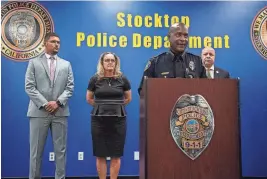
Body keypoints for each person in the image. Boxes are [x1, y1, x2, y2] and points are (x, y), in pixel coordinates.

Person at [25, 32, 74, 179]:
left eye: (58, 42)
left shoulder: (66, 64)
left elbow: (70, 88)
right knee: (36, 153)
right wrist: (46, 104)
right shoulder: (34, 63)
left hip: (60, 112)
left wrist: (58, 102)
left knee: (61, 152)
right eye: (53, 42)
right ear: (45, 44)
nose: (56, 44)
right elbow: (29, 87)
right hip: (38, 113)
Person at [86, 52, 132, 179]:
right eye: (107, 60)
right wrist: (102, 107)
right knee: (100, 154)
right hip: (98, 120)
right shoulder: (95, 79)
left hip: (118, 120)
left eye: (112, 60)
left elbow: (128, 98)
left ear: (116, 62)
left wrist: (116, 107)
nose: (110, 62)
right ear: (102, 63)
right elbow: (89, 98)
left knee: (116, 155)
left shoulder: (123, 79)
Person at [138, 22, 207, 94]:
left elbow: (206, 89)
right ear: (169, 37)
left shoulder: (197, 61)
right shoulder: (155, 63)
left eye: (186, 36)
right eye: (178, 35)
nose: (183, 39)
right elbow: (143, 92)